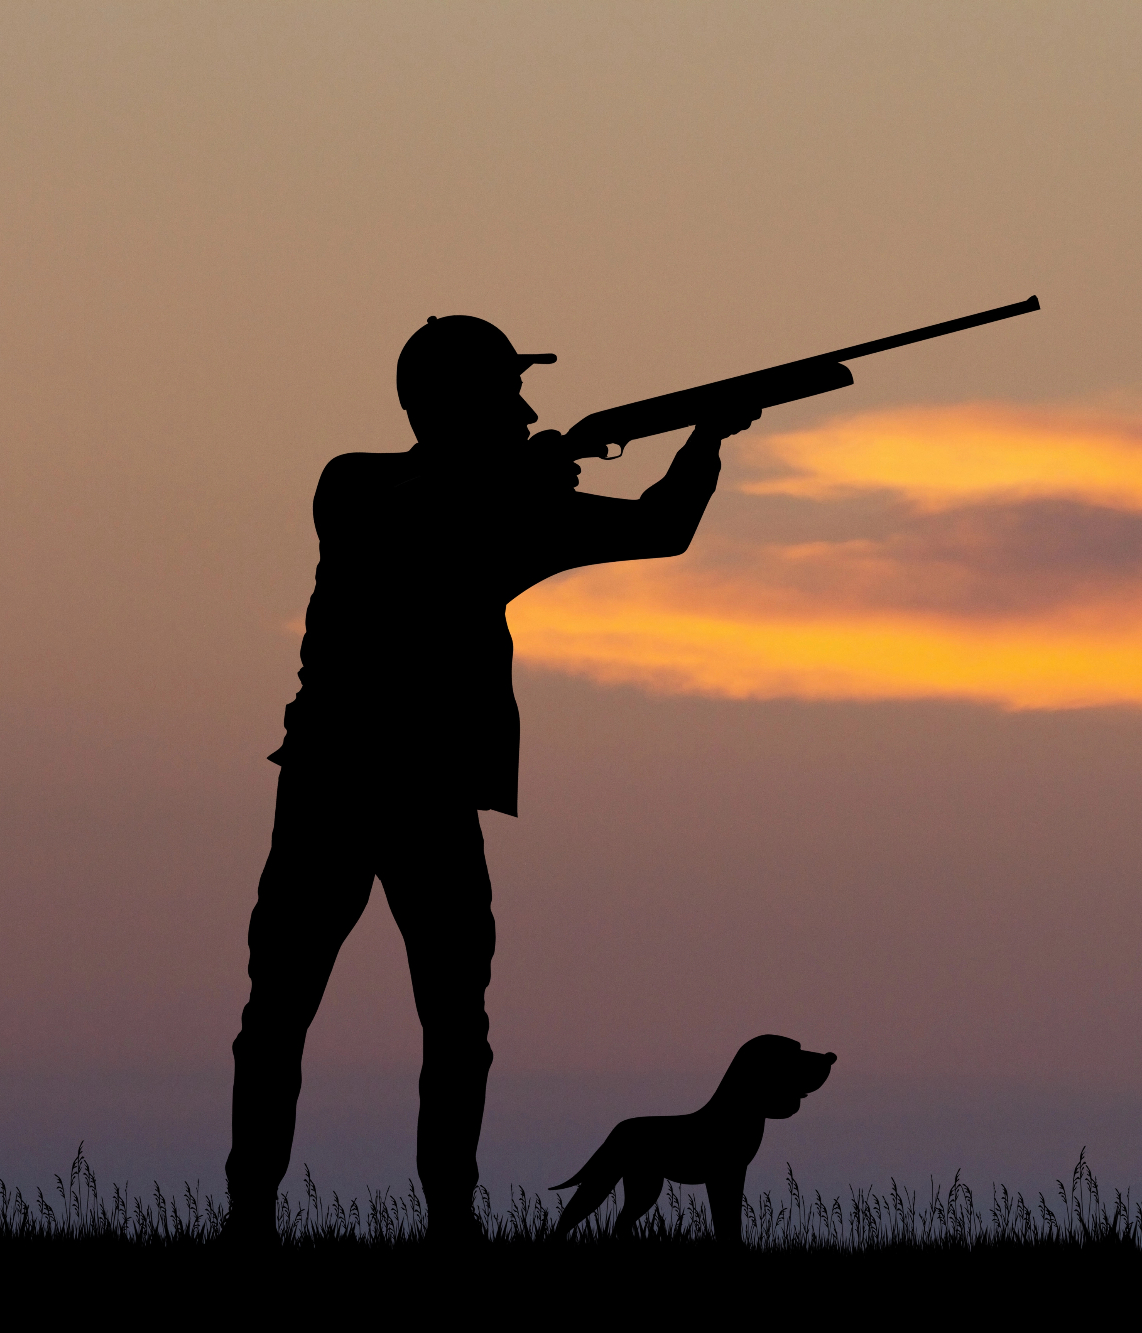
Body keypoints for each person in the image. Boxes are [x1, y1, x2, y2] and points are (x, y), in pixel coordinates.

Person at [220, 315, 755, 1243]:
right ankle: (250, 1219)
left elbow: (662, 530)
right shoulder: (359, 483)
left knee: (455, 1022)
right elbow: (414, 516)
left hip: (425, 794)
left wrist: (705, 437)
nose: (527, 409)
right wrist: (517, 474)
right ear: (453, 402)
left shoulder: (515, 503)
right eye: (506, 393)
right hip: (337, 783)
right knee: (280, 1012)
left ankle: (451, 1223)